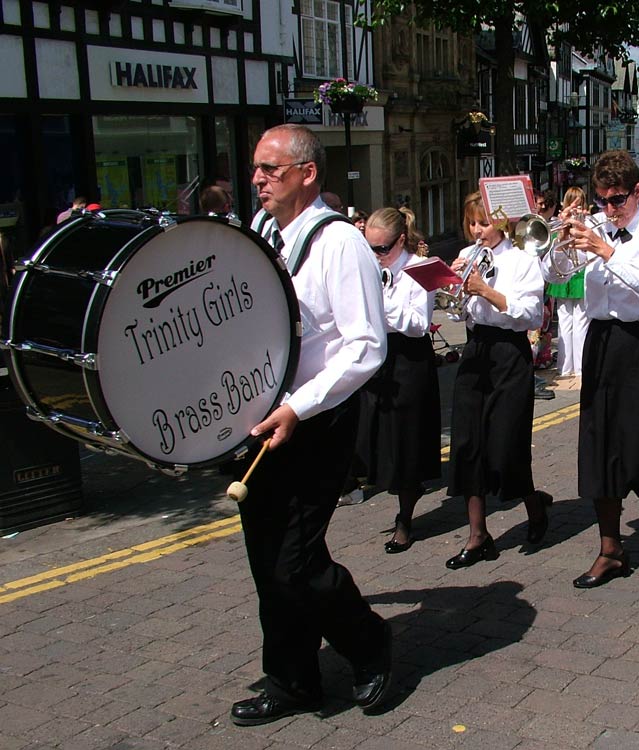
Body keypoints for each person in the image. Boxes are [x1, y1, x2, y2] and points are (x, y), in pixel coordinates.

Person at [229, 124, 392, 725]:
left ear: (307, 173)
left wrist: (299, 407)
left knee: (295, 561)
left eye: (270, 168)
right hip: (262, 416)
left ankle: (369, 643)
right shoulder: (259, 232)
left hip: (317, 418)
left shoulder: (340, 244)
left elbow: (366, 347)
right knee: (265, 557)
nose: (258, 179)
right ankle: (293, 678)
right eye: (256, 169)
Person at [544, 149, 639, 588]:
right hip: (602, 341)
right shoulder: (597, 224)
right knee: (600, 445)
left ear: (638, 191)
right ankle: (610, 548)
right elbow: (553, 274)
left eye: (617, 199)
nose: (608, 208)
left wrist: (604, 248)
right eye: (602, 199)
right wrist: (561, 241)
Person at [446, 191, 551, 568]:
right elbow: (459, 316)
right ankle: (478, 536)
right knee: (468, 443)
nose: (477, 231)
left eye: (484, 222)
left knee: (507, 445)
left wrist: (486, 291)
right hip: (476, 353)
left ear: (502, 222)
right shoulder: (470, 257)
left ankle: (534, 505)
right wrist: (451, 285)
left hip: (509, 353)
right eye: (472, 223)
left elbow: (529, 315)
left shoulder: (523, 261)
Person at [351, 207, 442, 553]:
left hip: (409, 357)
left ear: (401, 240)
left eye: (381, 249)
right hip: (378, 357)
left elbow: (419, 323)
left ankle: (405, 518)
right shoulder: (372, 269)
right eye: (369, 249)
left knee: (405, 441)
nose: (376, 256)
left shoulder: (421, 269)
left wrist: (379, 301)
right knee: (373, 434)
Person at [547, 186, 590, 386]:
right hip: (572, 274)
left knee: (569, 322)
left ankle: (567, 367)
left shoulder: (565, 221)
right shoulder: (581, 222)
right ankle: (577, 368)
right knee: (575, 322)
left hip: (575, 274)